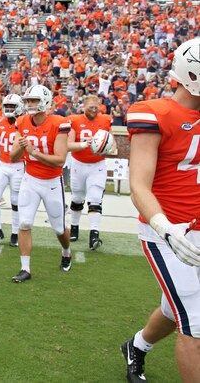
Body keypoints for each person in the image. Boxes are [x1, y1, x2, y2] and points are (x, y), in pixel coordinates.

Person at [122, 38, 200, 382]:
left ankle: (136, 346)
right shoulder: (155, 113)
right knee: (195, 323)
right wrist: (164, 227)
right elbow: (138, 185)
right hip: (168, 230)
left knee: (175, 309)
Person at [10, 84, 72, 283]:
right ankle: (25, 268)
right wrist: (21, 148)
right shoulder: (21, 122)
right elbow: (13, 157)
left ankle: (66, 251)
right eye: (27, 100)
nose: (29, 104)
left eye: (33, 100)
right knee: (25, 222)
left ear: (44, 101)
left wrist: (34, 152)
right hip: (30, 179)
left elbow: (60, 160)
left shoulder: (59, 123)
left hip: (52, 181)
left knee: (59, 229)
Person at [67, 94, 113, 250]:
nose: (93, 110)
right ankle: (74, 227)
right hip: (78, 164)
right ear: (83, 107)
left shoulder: (106, 120)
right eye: (90, 107)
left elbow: (111, 141)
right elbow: (69, 144)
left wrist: (109, 147)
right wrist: (83, 144)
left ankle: (94, 233)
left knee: (95, 198)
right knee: (77, 197)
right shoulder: (75, 120)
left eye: (96, 107)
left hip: (97, 165)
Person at [0, 94, 25, 247]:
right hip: (2, 165)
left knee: (16, 201)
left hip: (18, 166)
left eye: (12, 107)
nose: (9, 109)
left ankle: (15, 233)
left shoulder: (24, 122)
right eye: (7, 106)